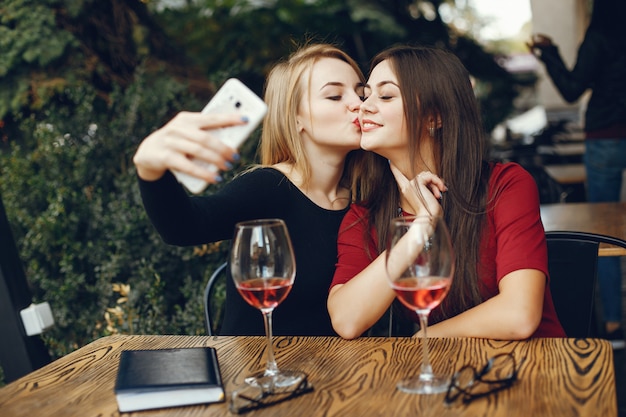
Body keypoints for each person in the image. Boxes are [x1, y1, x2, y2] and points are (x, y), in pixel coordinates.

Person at [327, 45, 566, 340]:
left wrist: (423, 339)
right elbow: (347, 320)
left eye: (386, 95)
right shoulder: (365, 213)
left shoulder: (505, 185)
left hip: (540, 366)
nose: (363, 106)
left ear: (434, 117)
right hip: (450, 372)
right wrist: (420, 228)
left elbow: (519, 315)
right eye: (366, 95)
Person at [133, 43, 366, 335]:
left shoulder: (363, 199)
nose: (358, 104)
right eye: (334, 95)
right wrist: (150, 170)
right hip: (252, 369)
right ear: (296, 118)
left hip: (337, 372)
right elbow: (185, 227)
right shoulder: (267, 186)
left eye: (361, 93)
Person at [527, 0, 626, 349]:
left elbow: (571, 89)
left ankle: (614, 321)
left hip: (606, 137)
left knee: (604, 226)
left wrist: (549, 52)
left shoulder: (600, 35)